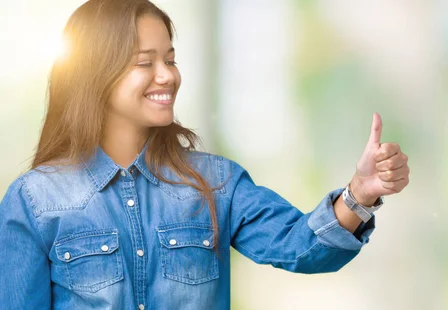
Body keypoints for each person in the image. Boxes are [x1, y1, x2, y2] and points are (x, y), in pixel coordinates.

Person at [0, 0, 410, 309]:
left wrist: (360, 192)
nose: (168, 75)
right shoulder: (34, 201)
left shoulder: (216, 183)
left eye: (171, 59)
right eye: (146, 62)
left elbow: (300, 246)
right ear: (96, 74)